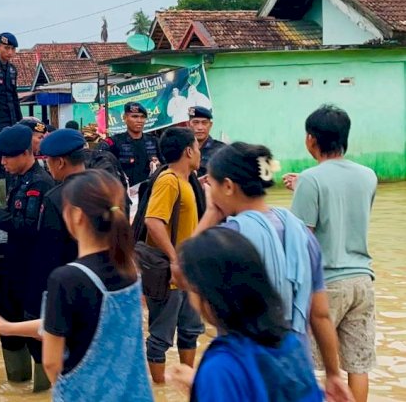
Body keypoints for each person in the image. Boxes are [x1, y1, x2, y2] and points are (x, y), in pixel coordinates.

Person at [0, 170, 153, 402]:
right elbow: (73, 323)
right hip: (135, 393)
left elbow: (51, 362)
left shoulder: (67, 278)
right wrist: (8, 327)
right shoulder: (129, 267)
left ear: (76, 216)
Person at [195, 142, 353, 402]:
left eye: (210, 184)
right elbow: (320, 314)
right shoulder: (300, 232)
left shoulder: (228, 238)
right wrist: (334, 374)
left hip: (243, 369)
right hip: (293, 365)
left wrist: (212, 212)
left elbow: (183, 271)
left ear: (228, 186)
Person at [284, 105, 377, 402]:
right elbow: (346, 216)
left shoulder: (311, 179)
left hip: (326, 284)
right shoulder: (368, 176)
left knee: (308, 364)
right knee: (358, 364)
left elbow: (302, 240)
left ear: (311, 139)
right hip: (362, 280)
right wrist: (303, 189)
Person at [167, 227, 323, 402]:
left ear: (210, 295)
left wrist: (205, 384)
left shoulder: (220, 368)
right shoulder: (291, 343)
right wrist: (199, 382)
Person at [0, 125, 55, 390]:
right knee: (7, 327)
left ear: (25, 153)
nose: (3, 162)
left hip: (34, 272)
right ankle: (17, 387)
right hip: (13, 269)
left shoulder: (41, 184)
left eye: (8, 157)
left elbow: (30, 229)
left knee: (36, 334)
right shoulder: (17, 180)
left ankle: (43, 391)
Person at [142, 127, 204, 384]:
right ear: (188, 151)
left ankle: (186, 385)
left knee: (190, 331)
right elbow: (153, 221)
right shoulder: (168, 180)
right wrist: (174, 257)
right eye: (198, 148)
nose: (200, 152)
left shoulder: (187, 181)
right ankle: (159, 389)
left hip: (188, 274)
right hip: (170, 274)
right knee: (160, 337)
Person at [25, 130, 87, 337]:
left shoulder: (56, 198)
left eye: (49, 161)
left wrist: (37, 303)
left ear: (60, 162)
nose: (47, 166)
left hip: (69, 286)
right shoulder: (110, 187)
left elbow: (48, 253)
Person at [99, 102, 161, 187]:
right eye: (134, 116)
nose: (139, 120)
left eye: (142, 117)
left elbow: (167, 166)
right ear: (125, 118)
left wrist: (158, 165)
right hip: (124, 194)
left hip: (149, 194)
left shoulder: (154, 141)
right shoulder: (114, 142)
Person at [187, 106, 225, 179]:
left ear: (210, 125)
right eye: (195, 123)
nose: (200, 127)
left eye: (204, 123)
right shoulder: (183, 150)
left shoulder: (221, 150)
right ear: (188, 124)